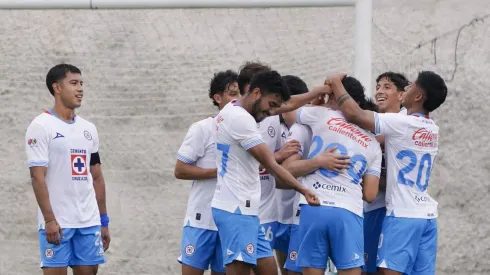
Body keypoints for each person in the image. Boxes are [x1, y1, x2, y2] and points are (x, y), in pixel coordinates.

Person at [325, 71, 447, 275]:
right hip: (426, 215)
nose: (407, 89)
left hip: (402, 213)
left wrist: (337, 84)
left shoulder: (401, 123)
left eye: (411, 86)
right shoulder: (432, 128)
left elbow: (355, 114)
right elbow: (378, 138)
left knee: (385, 271)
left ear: (417, 96)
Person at [211, 70, 320, 275]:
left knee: (269, 270)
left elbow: (288, 104)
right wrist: (303, 190)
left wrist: (318, 92)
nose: (272, 112)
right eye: (271, 105)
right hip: (236, 210)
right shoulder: (240, 120)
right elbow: (271, 164)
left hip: (248, 211)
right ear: (256, 93)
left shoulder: (234, 109)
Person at [236, 62, 326, 271]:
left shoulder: (286, 120)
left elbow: (289, 105)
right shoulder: (246, 119)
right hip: (252, 210)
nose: (273, 108)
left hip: (281, 212)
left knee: (281, 268)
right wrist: (277, 157)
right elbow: (264, 164)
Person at [25, 64, 110, 275]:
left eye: (81, 83)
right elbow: (37, 177)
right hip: (58, 224)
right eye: (73, 83)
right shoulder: (41, 126)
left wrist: (104, 220)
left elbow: (97, 177)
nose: (80, 88)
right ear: (57, 88)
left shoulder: (89, 129)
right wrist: (49, 220)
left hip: (89, 222)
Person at [294, 76, 382, 275]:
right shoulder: (373, 143)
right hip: (347, 210)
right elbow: (370, 194)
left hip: (314, 205)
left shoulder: (323, 115)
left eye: (329, 97)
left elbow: (287, 110)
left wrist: (315, 95)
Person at [175, 70, 241, 275]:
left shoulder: (245, 129)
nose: (237, 99)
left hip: (229, 221)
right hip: (200, 219)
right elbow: (180, 170)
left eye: (240, 93)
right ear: (217, 98)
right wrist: (219, 172)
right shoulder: (202, 128)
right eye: (232, 94)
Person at [362, 72, 409, 275]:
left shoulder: (408, 122)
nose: (380, 91)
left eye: (387, 87)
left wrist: (371, 180)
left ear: (402, 95)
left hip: (396, 211)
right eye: (378, 86)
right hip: (371, 208)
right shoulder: (371, 124)